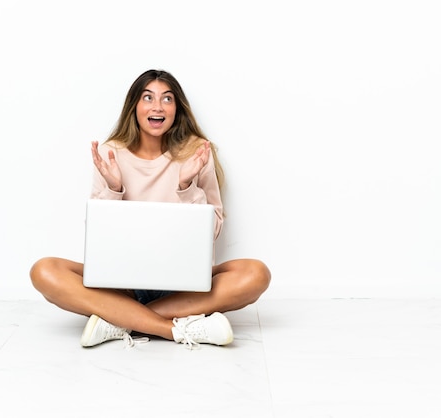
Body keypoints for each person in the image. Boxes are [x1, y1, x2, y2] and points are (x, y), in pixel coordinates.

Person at [30, 69, 271, 349]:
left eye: (167, 99)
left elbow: (212, 231)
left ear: (177, 109)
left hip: (185, 285)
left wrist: (187, 185)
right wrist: (113, 188)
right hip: (122, 285)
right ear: (134, 107)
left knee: (256, 273)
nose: (157, 106)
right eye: (148, 97)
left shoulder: (197, 153)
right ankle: (174, 329)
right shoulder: (112, 153)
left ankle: (118, 319)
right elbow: (100, 236)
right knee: (44, 270)